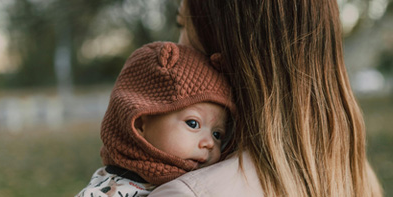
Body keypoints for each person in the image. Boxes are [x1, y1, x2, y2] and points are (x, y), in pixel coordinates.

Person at [149, 0, 383, 196]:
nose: (176, 46)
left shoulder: (185, 192)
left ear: (222, 49)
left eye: (183, 25)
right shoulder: (356, 173)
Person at [76, 41, 236, 197]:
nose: (209, 143)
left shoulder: (211, 182)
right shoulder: (106, 190)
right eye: (193, 123)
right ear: (140, 123)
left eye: (217, 134)